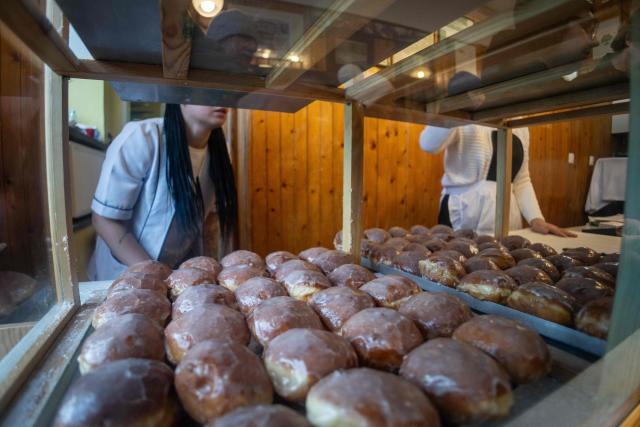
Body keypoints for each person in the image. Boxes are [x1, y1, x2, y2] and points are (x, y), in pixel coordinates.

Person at [87, 104, 237, 280]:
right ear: (181, 96)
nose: (221, 101)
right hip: (124, 276)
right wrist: (157, 276)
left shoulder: (218, 154)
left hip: (173, 275)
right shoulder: (143, 136)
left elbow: (208, 223)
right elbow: (104, 219)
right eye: (209, 90)